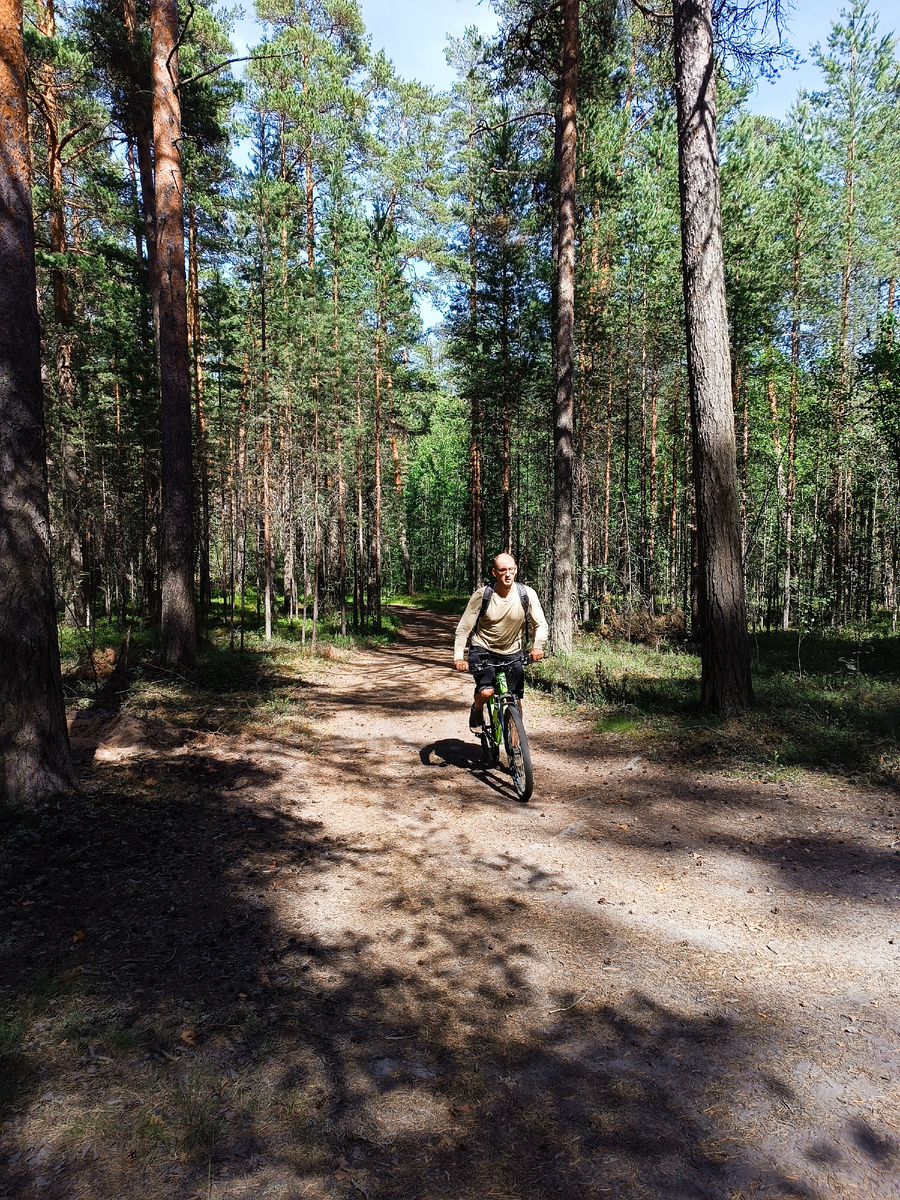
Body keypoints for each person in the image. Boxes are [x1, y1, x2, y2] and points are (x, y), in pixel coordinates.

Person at [453, 553, 548, 731]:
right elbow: (464, 627)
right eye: (503, 570)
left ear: (516, 570)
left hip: (512, 652)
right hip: (483, 650)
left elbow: (540, 624)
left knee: (514, 699)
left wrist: (537, 647)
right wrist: (459, 657)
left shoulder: (526, 594)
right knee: (487, 692)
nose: (508, 574)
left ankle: (516, 743)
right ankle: (477, 708)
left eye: (511, 569)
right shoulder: (483, 595)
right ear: (494, 572)